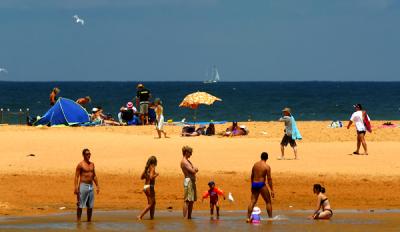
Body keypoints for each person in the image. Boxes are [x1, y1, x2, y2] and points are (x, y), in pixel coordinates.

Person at [247, 152, 274, 222]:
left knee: (252, 201)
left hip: (254, 184)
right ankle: (270, 218)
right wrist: (272, 190)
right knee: (268, 202)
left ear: (261, 157)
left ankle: (247, 218)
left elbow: (252, 176)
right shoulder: (267, 167)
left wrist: (251, 185)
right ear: (267, 158)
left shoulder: (255, 165)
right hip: (261, 184)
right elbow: (269, 179)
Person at [74, 148, 100, 222]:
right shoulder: (80, 165)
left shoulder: (92, 164)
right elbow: (76, 176)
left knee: (90, 206)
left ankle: (89, 221)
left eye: (89, 154)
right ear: (83, 155)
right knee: (80, 205)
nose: (89, 155)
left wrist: (97, 185)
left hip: (90, 186)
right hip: (83, 185)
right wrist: (76, 187)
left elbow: (94, 175)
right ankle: (78, 221)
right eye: (87, 154)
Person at [137, 156, 159, 220]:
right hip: (150, 187)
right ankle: (140, 216)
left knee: (153, 203)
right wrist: (156, 175)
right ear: (154, 162)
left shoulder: (146, 168)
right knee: (150, 204)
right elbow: (151, 177)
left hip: (145, 187)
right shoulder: (152, 168)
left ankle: (152, 217)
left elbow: (141, 177)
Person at [180, 145, 198, 219]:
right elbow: (193, 171)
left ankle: (189, 217)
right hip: (189, 181)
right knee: (187, 200)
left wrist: (194, 170)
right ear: (186, 152)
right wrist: (195, 169)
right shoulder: (184, 161)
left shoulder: (187, 161)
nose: (191, 154)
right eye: (190, 152)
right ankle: (185, 217)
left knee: (191, 200)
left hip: (191, 181)